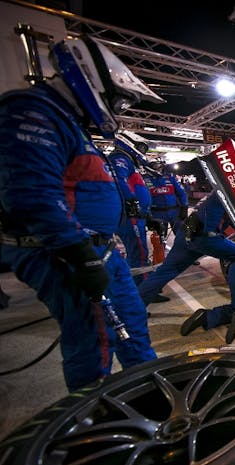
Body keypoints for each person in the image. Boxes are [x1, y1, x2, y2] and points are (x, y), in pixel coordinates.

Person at [0, 34, 162, 391]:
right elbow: (31, 195)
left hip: (95, 250)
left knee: (132, 326)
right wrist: (81, 254)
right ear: (93, 81)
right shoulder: (32, 110)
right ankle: (90, 418)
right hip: (66, 256)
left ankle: (150, 396)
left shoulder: (65, 120)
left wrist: (104, 240)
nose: (117, 109)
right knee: (93, 342)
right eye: (118, 101)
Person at [137, 192, 235, 306]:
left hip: (186, 234)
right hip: (205, 238)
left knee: (165, 272)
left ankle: (134, 309)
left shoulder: (217, 193)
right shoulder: (231, 194)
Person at [107, 136, 153, 285]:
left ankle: (138, 285)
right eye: (141, 148)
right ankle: (142, 289)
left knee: (138, 253)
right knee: (139, 254)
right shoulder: (120, 159)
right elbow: (119, 180)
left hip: (136, 215)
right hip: (131, 215)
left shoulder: (128, 161)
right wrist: (131, 202)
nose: (142, 152)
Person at [145, 157, 189, 237]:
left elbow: (182, 192)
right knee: (159, 239)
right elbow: (143, 198)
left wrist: (184, 207)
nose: (158, 167)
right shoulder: (145, 179)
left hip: (174, 212)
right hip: (157, 213)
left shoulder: (170, 177)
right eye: (155, 165)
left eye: (159, 165)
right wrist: (147, 215)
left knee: (182, 236)